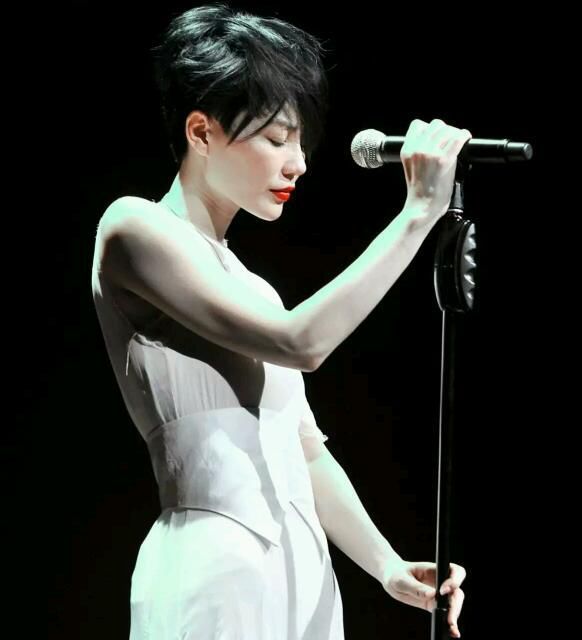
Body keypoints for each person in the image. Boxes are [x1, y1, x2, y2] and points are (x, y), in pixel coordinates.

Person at [91, 3, 471, 638]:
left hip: (304, 574)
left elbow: (304, 450)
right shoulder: (133, 227)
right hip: (215, 564)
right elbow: (303, 342)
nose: (297, 163)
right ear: (201, 132)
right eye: (275, 139)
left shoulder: (254, 288)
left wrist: (386, 566)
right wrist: (417, 213)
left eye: (300, 142)